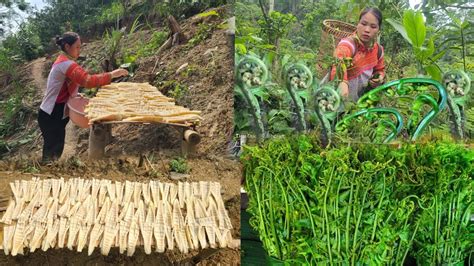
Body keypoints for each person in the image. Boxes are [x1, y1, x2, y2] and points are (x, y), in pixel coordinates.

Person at [38, 31, 128, 164]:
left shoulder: (63, 60)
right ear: (67, 47)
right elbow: (88, 81)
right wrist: (112, 74)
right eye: (77, 47)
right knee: (53, 151)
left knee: (55, 148)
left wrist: (74, 95)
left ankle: (47, 172)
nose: (79, 51)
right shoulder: (66, 64)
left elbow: (64, 85)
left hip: (53, 112)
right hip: (51, 114)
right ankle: (45, 176)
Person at [330, 7, 385, 101]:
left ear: (378, 30)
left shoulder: (378, 50)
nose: (367, 30)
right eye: (363, 24)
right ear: (358, 24)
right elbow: (339, 60)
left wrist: (379, 77)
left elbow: (379, 70)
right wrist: (342, 82)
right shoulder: (349, 44)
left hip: (360, 101)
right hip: (338, 99)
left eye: (373, 26)